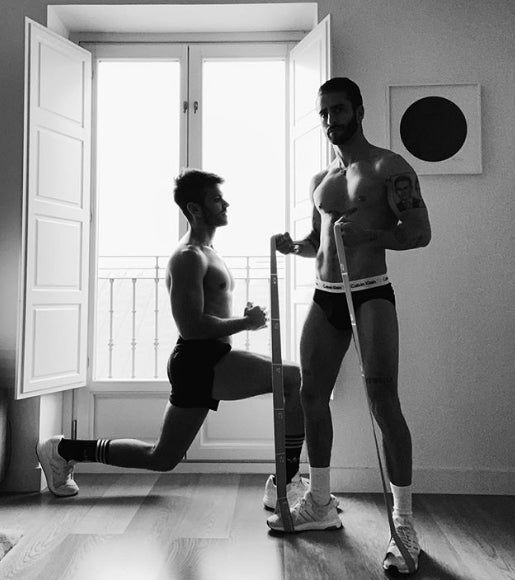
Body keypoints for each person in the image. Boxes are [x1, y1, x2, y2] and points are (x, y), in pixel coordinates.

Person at [36, 169, 308, 511]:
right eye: (216, 199)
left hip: (209, 359)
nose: (225, 203)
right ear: (195, 209)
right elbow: (191, 326)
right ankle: (287, 480)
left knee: (162, 457)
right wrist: (245, 323)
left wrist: (241, 316)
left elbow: (208, 308)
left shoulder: (209, 251)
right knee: (293, 378)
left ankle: (63, 450)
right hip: (199, 360)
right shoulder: (188, 257)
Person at [268, 78, 431, 575]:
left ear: (358, 111)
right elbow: (319, 240)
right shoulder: (321, 178)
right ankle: (319, 501)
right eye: (323, 113)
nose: (330, 120)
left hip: (371, 293)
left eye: (338, 110)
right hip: (327, 296)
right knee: (310, 394)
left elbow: (419, 233)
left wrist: (372, 232)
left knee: (385, 402)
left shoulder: (390, 168)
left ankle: (403, 523)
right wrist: (293, 245)